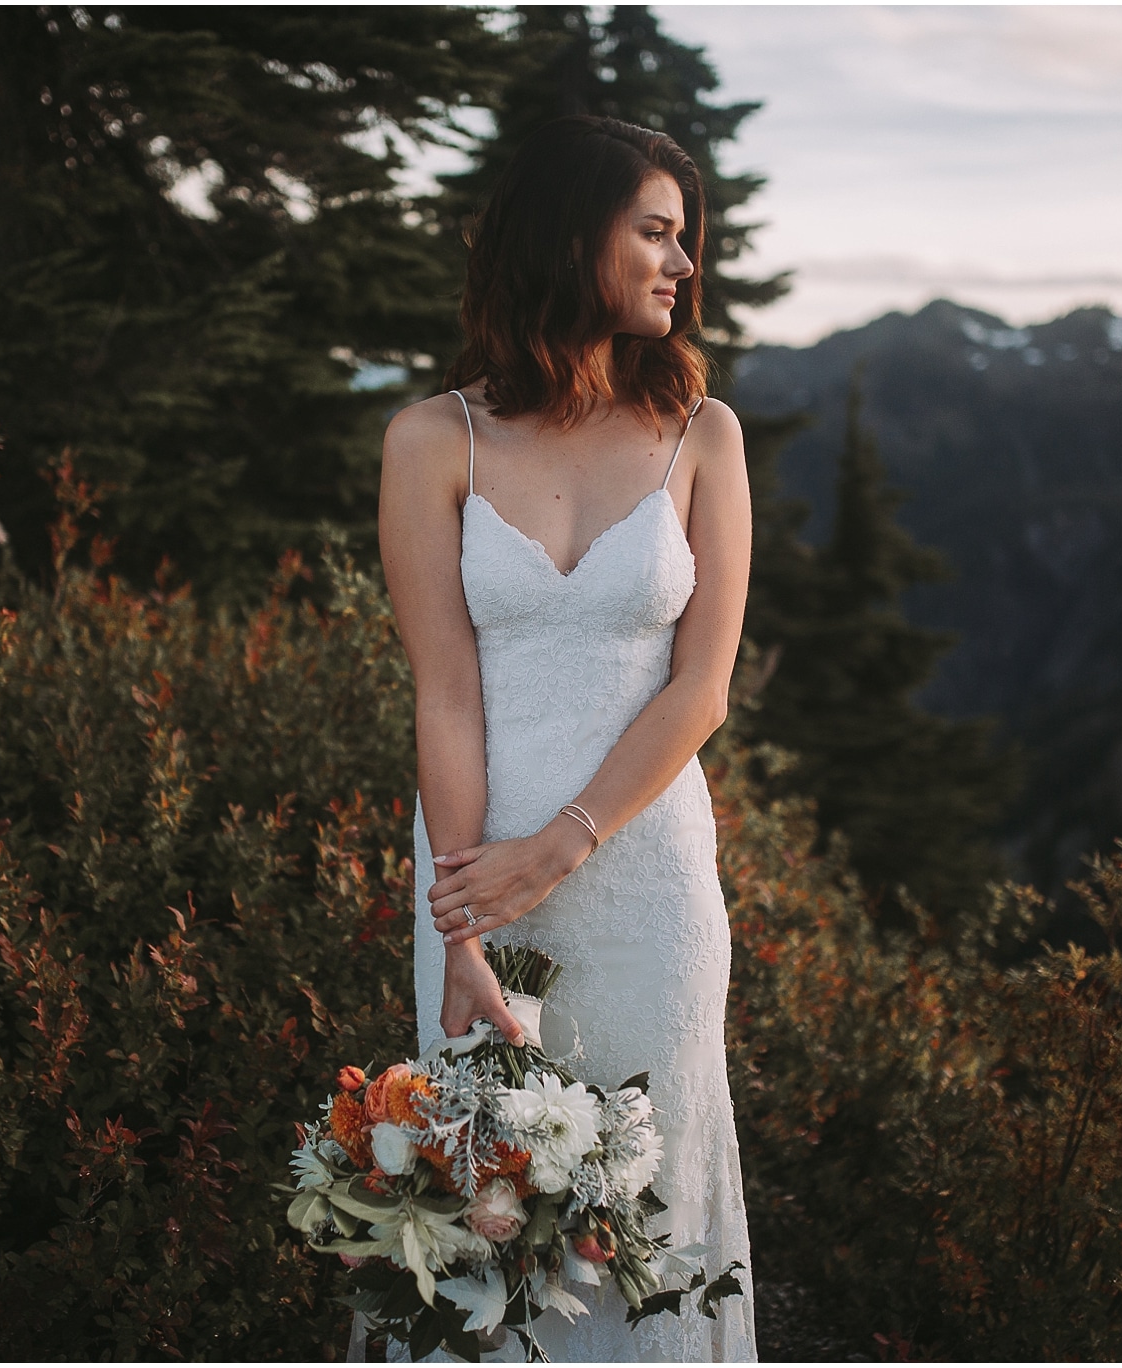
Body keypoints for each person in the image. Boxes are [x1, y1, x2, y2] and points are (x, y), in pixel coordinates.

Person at [378, 115, 756, 1362]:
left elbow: (700, 688)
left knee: (650, 1227)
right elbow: (444, 691)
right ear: (569, 233)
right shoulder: (435, 439)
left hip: (642, 887)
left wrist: (566, 842)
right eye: (653, 231)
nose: (678, 263)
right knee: (484, 1222)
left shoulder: (703, 433)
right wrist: (464, 920)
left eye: (683, 240)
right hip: (477, 885)